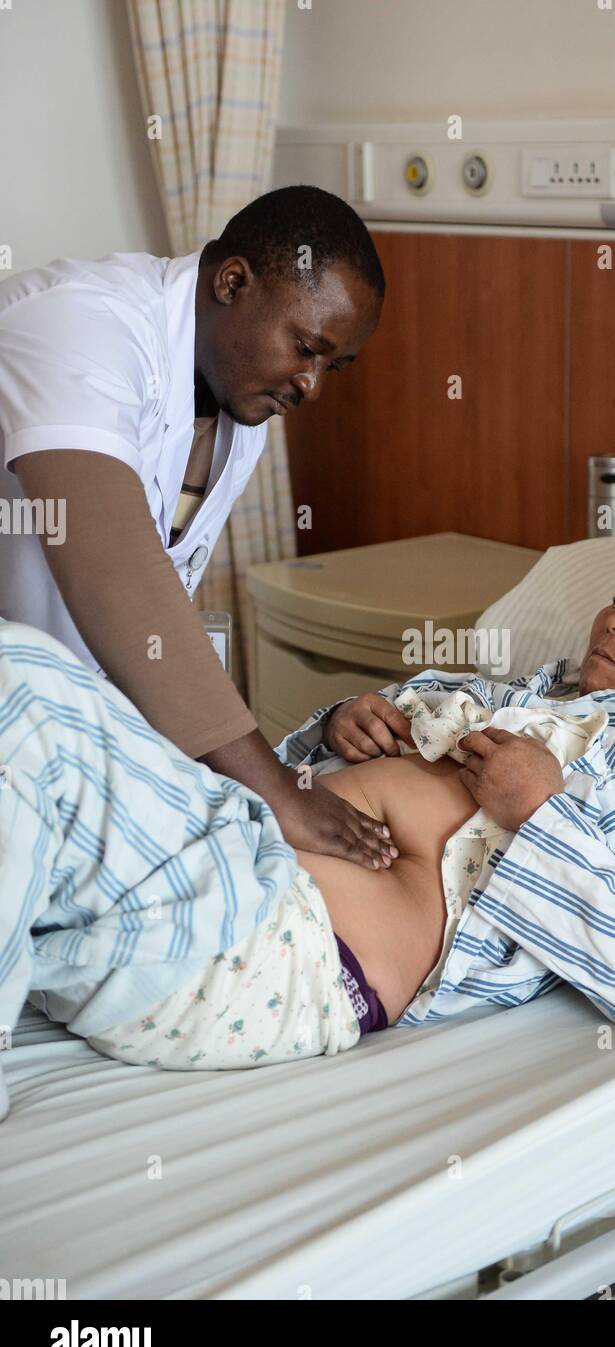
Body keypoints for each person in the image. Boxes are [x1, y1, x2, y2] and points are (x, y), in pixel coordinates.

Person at [0, 535, 615, 1080]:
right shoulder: (488, 691)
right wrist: (335, 726)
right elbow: (284, 783)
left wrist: (544, 812)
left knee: (26, 689)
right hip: (225, 845)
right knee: (19, 675)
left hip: (277, 949)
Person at [0, 185, 393, 872]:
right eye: (306, 347)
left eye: (334, 364)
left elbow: (154, 631)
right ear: (233, 281)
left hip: (51, 729)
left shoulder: (237, 409)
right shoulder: (79, 325)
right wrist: (273, 789)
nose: (312, 386)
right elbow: (120, 575)